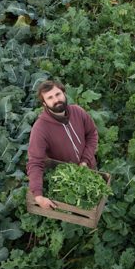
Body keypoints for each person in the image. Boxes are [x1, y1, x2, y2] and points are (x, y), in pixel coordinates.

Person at [27, 80, 98, 209]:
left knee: (94, 203)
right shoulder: (40, 128)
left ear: (64, 93)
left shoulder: (78, 111)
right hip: (65, 181)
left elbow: (92, 134)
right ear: (44, 103)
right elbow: (35, 162)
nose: (56, 99)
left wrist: (85, 161)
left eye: (58, 94)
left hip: (88, 169)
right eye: (50, 98)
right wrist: (38, 195)